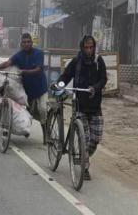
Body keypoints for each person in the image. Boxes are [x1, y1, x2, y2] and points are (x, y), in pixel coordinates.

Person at [57, 35, 107, 180]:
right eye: (86, 47)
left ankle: (84, 156)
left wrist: (95, 88)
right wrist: (59, 85)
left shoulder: (99, 61)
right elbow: (65, 76)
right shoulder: (76, 62)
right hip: (80, 105)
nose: (89, 50)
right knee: (84, 139)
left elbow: (104, 79)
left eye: (91, 47)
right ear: (82, 47)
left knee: (95, 138)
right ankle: (84, 167)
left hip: (95, 106)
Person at [0, 33, 48, 141]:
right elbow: (8, 63)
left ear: (31, 42)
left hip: (41, 88)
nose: (26, 44)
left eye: (28, 42)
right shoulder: (19, 55)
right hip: (28, 90)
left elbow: (38, 69)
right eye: (24, 42)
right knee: (30, 113)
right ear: (21, 44)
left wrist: (24, 71)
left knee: (43, 110)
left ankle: (46, 135)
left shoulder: (39, 53)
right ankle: (25, 129)